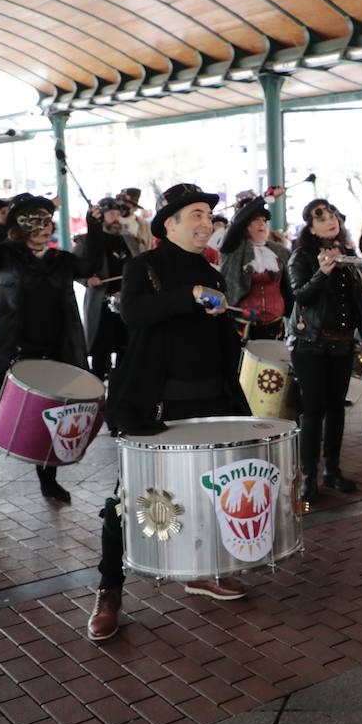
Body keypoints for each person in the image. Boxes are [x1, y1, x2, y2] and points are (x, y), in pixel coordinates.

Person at [87, 184, 252, 642]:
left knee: (205, 493)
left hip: (211, 403)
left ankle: (201, 571)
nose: (206, 223)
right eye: (195, 214)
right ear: (170, 223)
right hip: (155, 407)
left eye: (209, 216)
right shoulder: (144, 267)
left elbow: (219, 344)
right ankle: (109, 589)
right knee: (127, 501)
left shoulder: (212, 271)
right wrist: (190, 294)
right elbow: (135, 315)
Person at [0, 196, 104, 521]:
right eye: (35, 222)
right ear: (19, 228)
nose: (43, 229)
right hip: (8, 359)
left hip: (54, 357)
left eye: (47, 222)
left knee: (50, 425)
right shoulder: (5, 255)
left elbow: (91, 264)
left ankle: (49, 483)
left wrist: (93, 225)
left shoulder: (61, 260)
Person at [287, 198, 362, 500]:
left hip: (342, 344)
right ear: (310, 226)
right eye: (320, 217)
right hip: (310, 344)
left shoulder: (347, 253)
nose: (330, 220)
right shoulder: (302, 256)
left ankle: (332, 471)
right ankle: (308, 476)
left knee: (336, 408)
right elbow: (300, 296)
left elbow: (359, 296)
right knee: (312, 411)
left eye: (332, 214)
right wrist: (322, 272)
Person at [79, 196, 141, 379]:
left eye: (117, 213)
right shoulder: (87, 240)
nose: (115, 217)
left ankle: (122, 395)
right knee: (101, 353)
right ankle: (97, 399)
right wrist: (87, 280)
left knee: (127, 349)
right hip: (102, 304)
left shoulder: (130, 239)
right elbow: (76, 267)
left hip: (127, 304)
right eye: (110, 213)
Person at [219, 189, 290, 341]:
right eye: (255, 220)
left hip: (276, 326)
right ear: (244, 226)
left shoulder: (280, 251)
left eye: (264, 220)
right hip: (242, 325)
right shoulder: (232, 250)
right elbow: (236, 222)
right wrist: (263, 198)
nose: (261, 224)